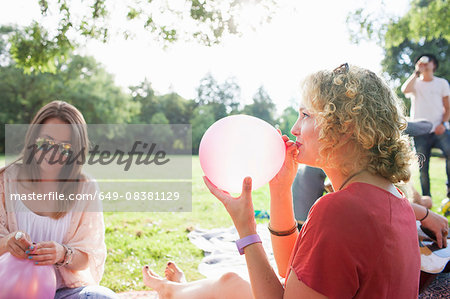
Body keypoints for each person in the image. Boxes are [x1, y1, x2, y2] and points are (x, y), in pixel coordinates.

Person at [142, 64, 426, 298]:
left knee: (230, 288)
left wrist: (246, 227)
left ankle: (173, 293)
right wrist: (280, 191)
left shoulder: (340, 210)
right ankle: (175, 291)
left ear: (344, 128)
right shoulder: (397, 200)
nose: (294, 128)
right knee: (231, 282)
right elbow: (293, 270)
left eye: (305, 115)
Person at [0, 101, 117, 298]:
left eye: (65, 147)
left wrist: (62, 253)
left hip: (60, 293)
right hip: (6, 287)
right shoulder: (5, 181)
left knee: (102, 296)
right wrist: (7, 243)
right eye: (46, 142)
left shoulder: (85, 187)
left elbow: (87, 256)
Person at [401, 53, 450, 198]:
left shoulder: (442, 83)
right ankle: (427, 198)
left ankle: (449, 193)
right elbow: (405, 90)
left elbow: (448, 108)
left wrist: (443, 123)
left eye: (428, 62)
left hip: (439, 129)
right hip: (420, 131)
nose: (424, 64)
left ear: (434, 65)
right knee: (423, 167)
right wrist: (416, 72)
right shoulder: (415, 83)